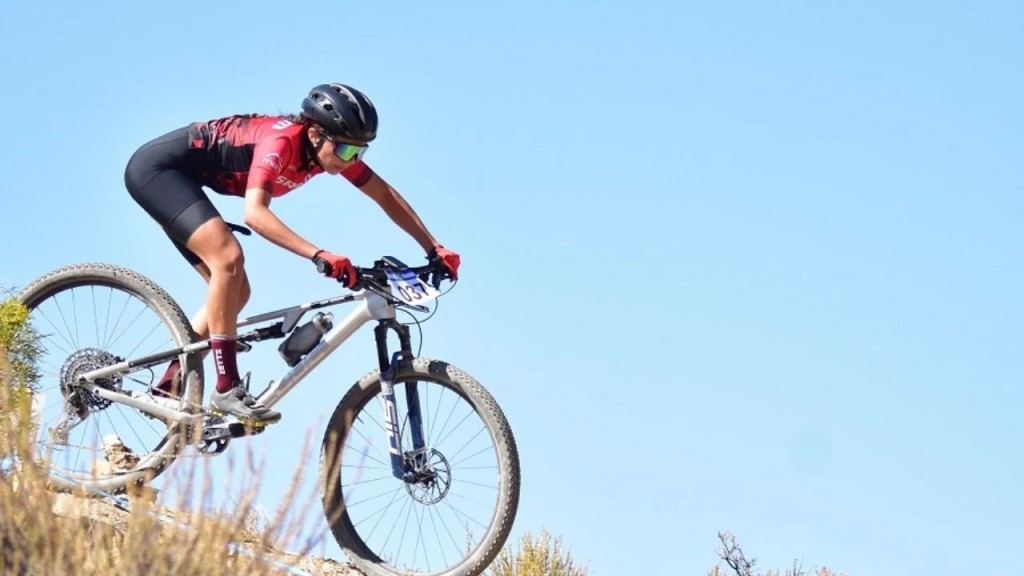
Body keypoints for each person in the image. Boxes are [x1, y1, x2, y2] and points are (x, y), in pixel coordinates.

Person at [124, 83, 461, 425]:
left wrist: (432, 246)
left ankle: (166, 390)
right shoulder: (281, 141)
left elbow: (383, 194)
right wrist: (318, 254)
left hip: (188, 182)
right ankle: (226, 387)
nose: (352, 160)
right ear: (315, 134)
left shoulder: (328, 150)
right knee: (228, 259)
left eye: (360, 153)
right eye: (346, 151)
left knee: (236, 294)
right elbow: (255, 213)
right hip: (159, 172)